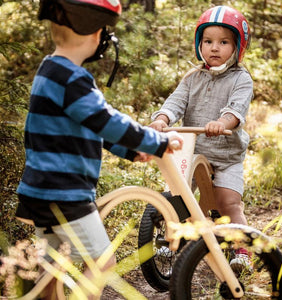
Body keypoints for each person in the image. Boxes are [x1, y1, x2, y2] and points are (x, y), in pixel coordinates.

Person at [15, 0, 183, 299]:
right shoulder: (73, 79)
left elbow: (88, 126)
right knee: (103, 262)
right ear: (95, 34)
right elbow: (107, 121)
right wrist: (156, 142)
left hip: (39, 191)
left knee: (53, 266)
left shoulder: (49, 71)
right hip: (66, 193)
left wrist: (131, 151)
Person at [149, 5, 253, 272]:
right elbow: (176, 102)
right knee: (178, 194)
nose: (214, 48)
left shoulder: (241, 79)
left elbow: (236, 109)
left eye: (223, 42)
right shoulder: (192, 78)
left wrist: (222, 123)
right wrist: (162, 119)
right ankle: (169, 237)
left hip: (226, 155)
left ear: (237, 47)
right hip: (194, 150)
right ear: (199, 44)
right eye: (208, 41)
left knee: (228, 202)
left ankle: (241, 248)